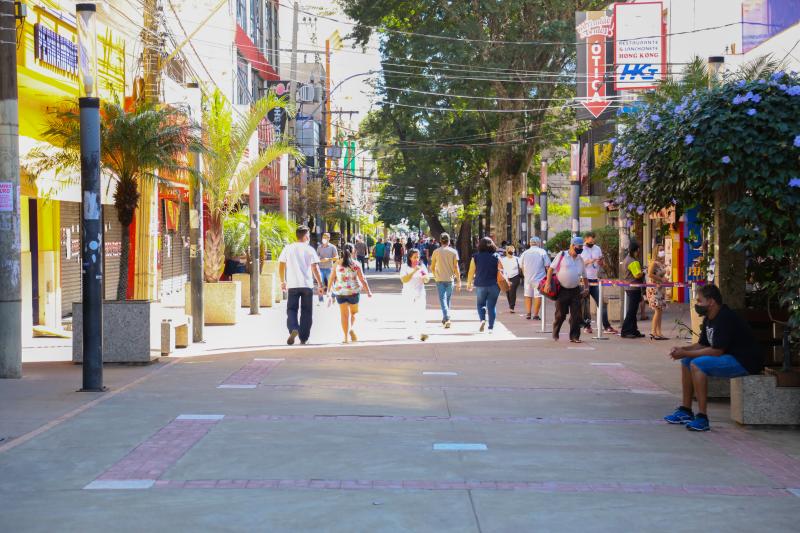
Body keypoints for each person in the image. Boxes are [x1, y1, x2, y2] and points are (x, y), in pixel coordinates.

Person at [664, 284, 764, 431]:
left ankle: (702, 417)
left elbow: (716, 351)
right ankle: (686, 410)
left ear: (711, 302)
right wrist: (682, 350)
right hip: (729, 356)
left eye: (699, 301)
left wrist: (686, 353)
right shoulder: (709, 317)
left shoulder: (725, 317)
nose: (697, 305)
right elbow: (702, 344)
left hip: (744, 362)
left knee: (697, 365)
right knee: (686, 361)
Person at [278, 226, 324, 345]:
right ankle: (304, 338)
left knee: (291, 309)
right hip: (307, 285)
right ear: (305, 236)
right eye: (308, 235)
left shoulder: (288, 248)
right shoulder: (309, 249)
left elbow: (281, 264)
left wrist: (282, 281)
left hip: (292, 285)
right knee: (306, 312)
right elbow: (315, 268)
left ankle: (294, 328)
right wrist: (320, 284)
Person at [544, 236, 589, 343]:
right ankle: (555, 331)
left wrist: (586, 288)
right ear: (572, 246)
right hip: (562, 290)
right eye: (579, 246)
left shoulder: (580, 259)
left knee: (576, 315)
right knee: (561, 315)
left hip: (575, 290)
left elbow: (584, 275)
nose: (581, 249)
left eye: (582, 246)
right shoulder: (562, 255)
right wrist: (547, 283)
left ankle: (575, 336)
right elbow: (550, 269)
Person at [328, 243, 372, 343]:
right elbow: (362, 279)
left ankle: (345, 337)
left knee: (344, 315)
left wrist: (328, 290)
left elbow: (331, 278)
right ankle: (352, 328)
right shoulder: (356, 264)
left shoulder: (337, 263)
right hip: (353, 292)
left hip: (340, 292)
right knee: (354, 313)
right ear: (353, 251)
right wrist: (368, 291)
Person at [580, 231, 617, 334]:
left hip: (595, 280)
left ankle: (607, 326)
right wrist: (588, 261)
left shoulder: (597, 248)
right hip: (584, 280)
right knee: (585, 304)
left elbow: (602, 263)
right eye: (590, 240)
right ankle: (587, 326)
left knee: (601, 303)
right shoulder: (581, 249)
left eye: (594, 240)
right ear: (586, 239)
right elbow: (578, 263)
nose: (592, 242)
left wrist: (601, 262)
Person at [466, 237, 503, 334]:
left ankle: (482, 320)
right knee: (491, 306)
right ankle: (491, 327)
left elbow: (471, 271)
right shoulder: (497, 256)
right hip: (494, 285)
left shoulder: (476, 257)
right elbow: (502, 270)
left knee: (480, 304)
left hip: (480, 284)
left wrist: (469, 283)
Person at [429, 232, 461, 328]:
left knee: (443, 299)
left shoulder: (436, 252)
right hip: (450, 279)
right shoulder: (453, 252)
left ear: (440, 241)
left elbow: (432, 266)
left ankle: (446, 318)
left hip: (439, 278)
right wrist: (458, 280)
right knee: (447, 299)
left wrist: (435, 275)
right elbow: (456, 267)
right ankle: (446, 318)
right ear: (449, 241)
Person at [400, 249, 431, 341]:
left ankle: (422, 332)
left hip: (420, 293)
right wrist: (413, 272)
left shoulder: (422, 266)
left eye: (418, 257)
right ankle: (410, 332)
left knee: (421, 312)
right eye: (414, 257)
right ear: (410, 258)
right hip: (408, 293)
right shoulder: (404, 267)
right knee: (409, 313)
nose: (417, 259)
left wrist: (424, 277)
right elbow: (404, 280)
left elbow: (426, 279)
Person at [519, 236, 550, 320]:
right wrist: (549, 277)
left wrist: (525, 274)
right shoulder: (542, 252)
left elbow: (521, 265)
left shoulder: (525, 253)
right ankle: (535, 314)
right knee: (538, 296)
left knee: (527, 295)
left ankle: (528, 313)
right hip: (539, 279)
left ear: (530, 243)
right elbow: (547, 265)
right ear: (539, 243)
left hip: (528, 279)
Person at [621, 241, 646, 338]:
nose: (639, 251)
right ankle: (626, 330)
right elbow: (637, 274)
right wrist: (644, 272)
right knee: (632, 310)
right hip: (634, 287)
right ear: (636, 250)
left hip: (629, 287)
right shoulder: (633, 261)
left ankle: (634, 330)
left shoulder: (626, 259)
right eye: (638, 249)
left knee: (634, 310)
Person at [647, 243, 669, 340]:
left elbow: (660, 274)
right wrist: (661, 280)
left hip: (660, 289)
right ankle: (653, 331)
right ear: (656, 251)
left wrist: (664, 279)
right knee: (657, 310)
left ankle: (659, 332)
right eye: (660, 250)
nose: (662, 251)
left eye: (663, 249)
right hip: (654, 289)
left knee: (660, 310)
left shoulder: (661, 263)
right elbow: (650, 274)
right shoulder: (653, 262)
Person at [316, 233, 338, 303]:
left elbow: (337, 258)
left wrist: (328, 259)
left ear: (329, 238)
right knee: (320, 284)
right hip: (320, 268)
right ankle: (320, 300)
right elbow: (317, 257)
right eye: (323, 237)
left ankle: (333, 298)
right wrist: (319, 259)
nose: (324, 238)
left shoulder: (332, 247)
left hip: (329, 268)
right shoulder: (319, 247)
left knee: (331, 284)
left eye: (326, 237)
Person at [499, 245, 522, 313]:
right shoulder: (503, 259)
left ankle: (512, 307)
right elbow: (501, 269)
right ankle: (510, 305)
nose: (511, 251)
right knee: (508, 292)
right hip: (506, 277)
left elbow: (521, 267)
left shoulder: (517, 259)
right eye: (509, 250)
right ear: (506, 251)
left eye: (512, 250)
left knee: (512, 291)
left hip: (515, 276)